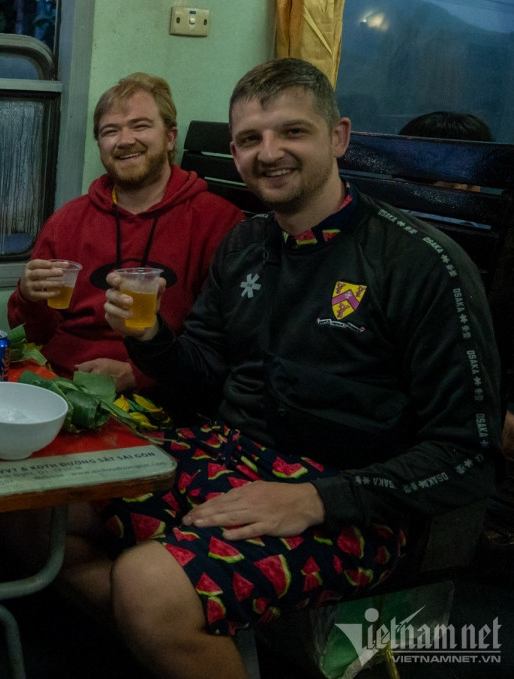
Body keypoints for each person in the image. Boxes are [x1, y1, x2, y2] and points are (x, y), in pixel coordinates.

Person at [71, 58, 502, 679]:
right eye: (250, 138)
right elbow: (203, 375)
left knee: (147, 586)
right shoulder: (245, 245)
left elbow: (467, 453)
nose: (268, 152)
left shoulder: (421, 264)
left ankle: (163, 623)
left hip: (353, 501)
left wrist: (316, 499)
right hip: (226, 451)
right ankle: (171, 642)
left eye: (292, 131)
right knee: (41, 510)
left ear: (338, 137)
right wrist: (151, 337)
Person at [7, 72, 241, 392]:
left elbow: (220, 348)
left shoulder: (219, 222)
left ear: (170, 138)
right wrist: (27, 296)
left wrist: (138, 375)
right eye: (110, 131)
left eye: (140, 126)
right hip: (60, 384)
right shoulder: (66, 222)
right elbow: (33, 335)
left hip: (162, 393)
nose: (125, 140)